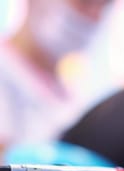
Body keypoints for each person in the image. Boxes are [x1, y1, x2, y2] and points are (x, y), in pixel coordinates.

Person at [0, 0, 113, 156]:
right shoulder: (5, 71)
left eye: (105, 5)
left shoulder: (74, 101)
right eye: (85, 2)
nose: (95, 16)